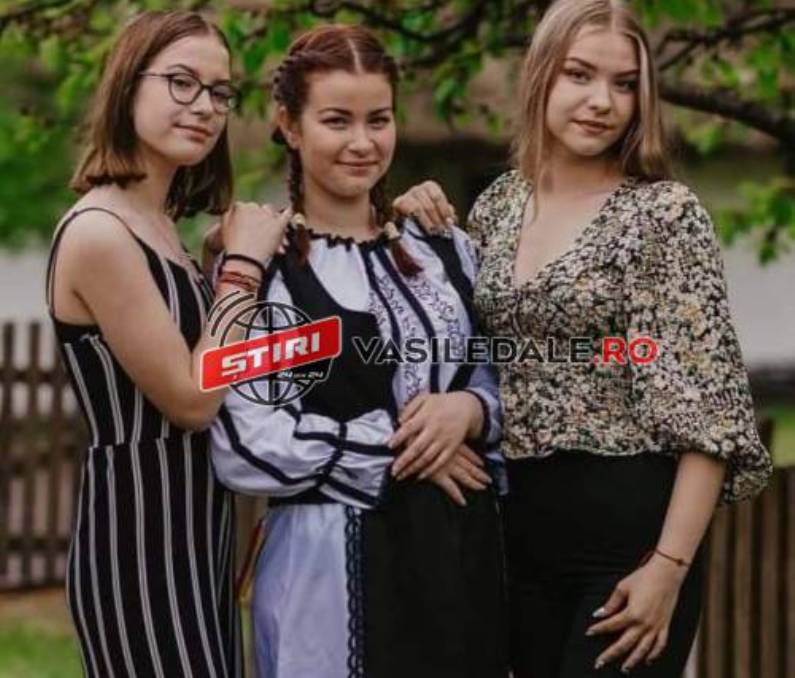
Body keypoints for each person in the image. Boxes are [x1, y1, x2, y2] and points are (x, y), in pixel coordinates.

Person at [392, 1, 772, 676]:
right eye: (579, 75)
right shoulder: (499, 206)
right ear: (541, 75)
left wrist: (668, 568)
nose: (602, 101)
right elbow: (466, 349)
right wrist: (414, 223)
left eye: (624, 84)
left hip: (627, 546)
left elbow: (708, 414)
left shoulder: (663, 214)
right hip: (514, 538)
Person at [208, 24, 507, 678]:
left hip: (460, 558)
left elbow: (511, 374)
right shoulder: (263, 270)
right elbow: (245, 442)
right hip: (326, 576)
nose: (363, 142)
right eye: (336, 121)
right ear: (288, 125)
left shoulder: (446, 251)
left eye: (379, 119)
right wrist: (405, 452)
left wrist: (469, 410)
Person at [45, 10, 291, 676]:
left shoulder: (159, 229)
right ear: (128, 85)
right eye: (182, 82)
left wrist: (216, 264)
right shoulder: (100, 232)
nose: (204, 107)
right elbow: (191, 398)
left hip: (198, 528)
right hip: (139, 536)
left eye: (219, 92)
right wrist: (242, 269)